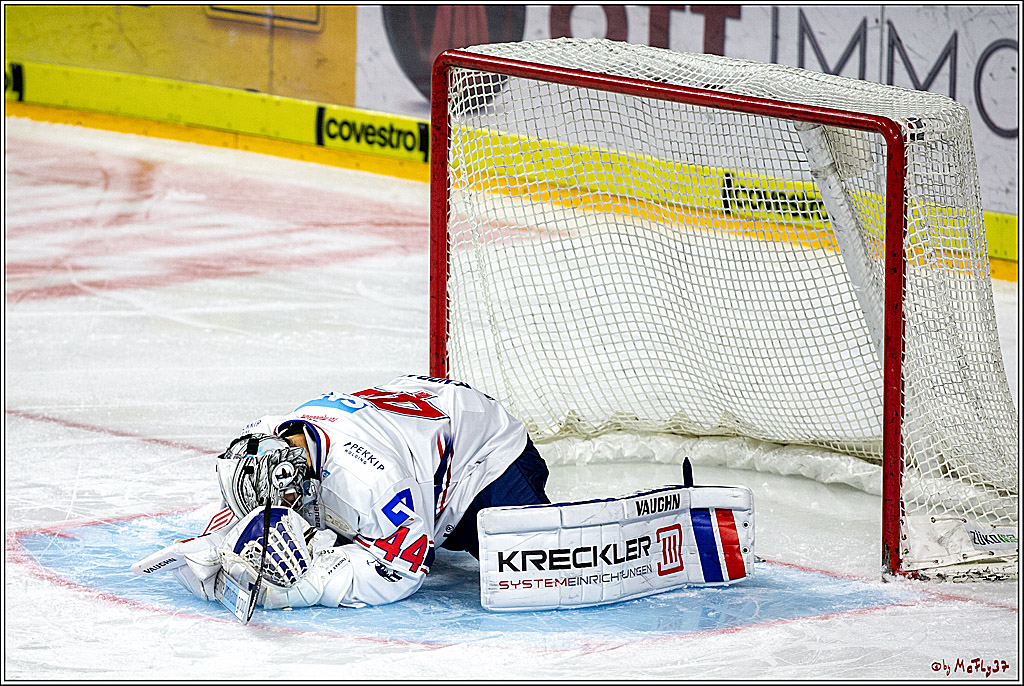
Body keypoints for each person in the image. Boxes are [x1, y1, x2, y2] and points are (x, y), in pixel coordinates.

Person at [141, 374, 550, 612]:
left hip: (483, 455)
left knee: (534, 567)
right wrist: (212, 545)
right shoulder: (274, 439)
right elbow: (250, 500)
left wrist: (315, 582)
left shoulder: (369, 483)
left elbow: (404, 570)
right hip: (417, 416)